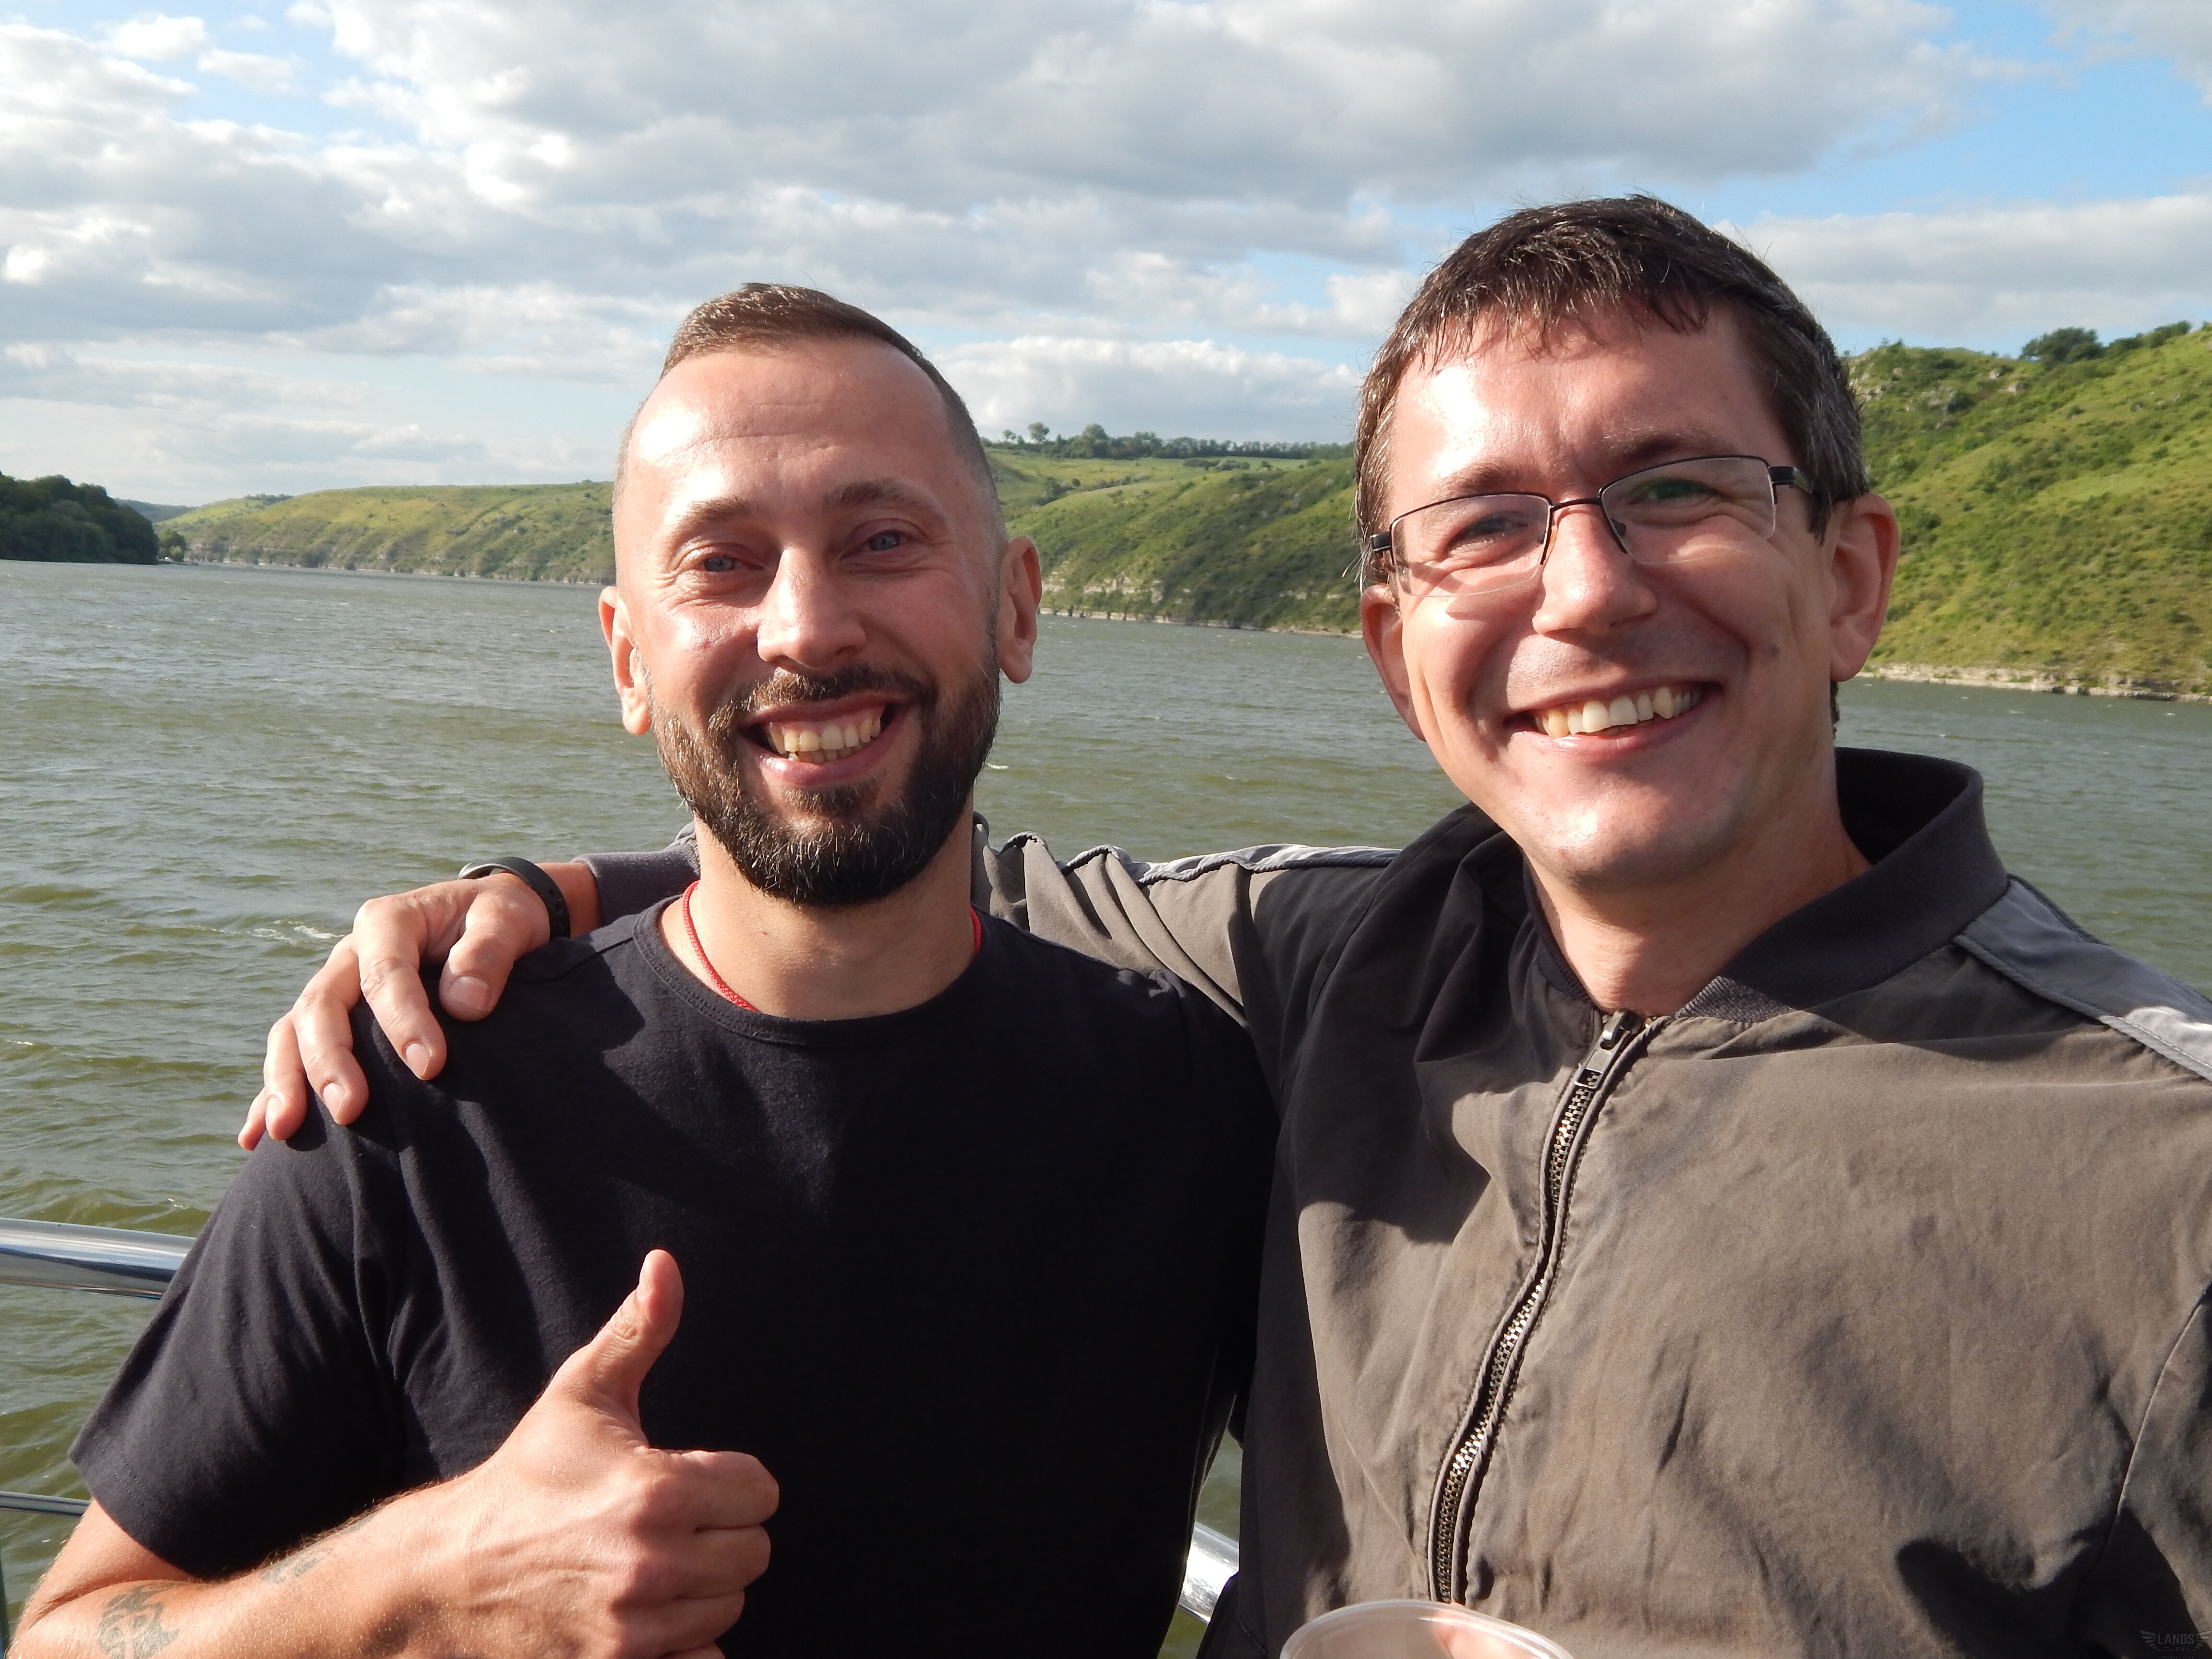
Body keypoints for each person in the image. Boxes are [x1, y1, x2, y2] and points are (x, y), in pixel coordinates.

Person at [247, 199, 2212, 1659]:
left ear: (1850, 577)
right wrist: (541, 896)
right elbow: (881, 849)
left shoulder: (2162, 1176)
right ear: (1394, 647)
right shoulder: (1328, 958)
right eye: (1484, 525)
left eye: (1676, 486)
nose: (1587, 592)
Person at [18, 286, 1283, 1659]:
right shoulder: (414, 1101)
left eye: (882, 540)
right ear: (629, 659)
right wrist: (420, 1586)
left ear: (1015, 609)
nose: (805, 629)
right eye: (721, 563)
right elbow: (67, 1637)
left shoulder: (1201, 1102)